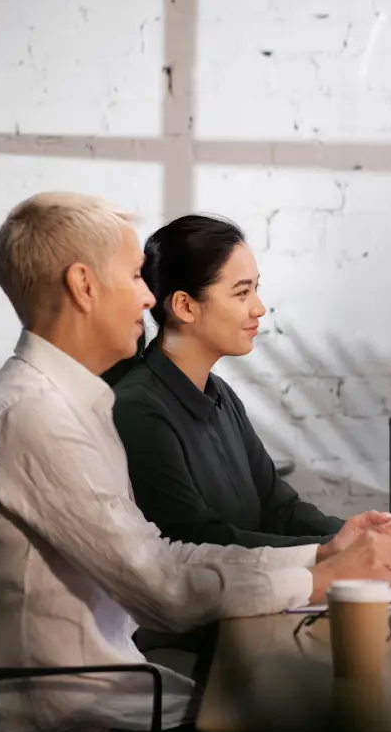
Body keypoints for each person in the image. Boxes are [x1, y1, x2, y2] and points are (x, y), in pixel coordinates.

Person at [0, 192, 391, 732]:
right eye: (132, 276)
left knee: (327, 726)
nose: (149, 297)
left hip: (101, 705)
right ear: (83, 285)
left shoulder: (70, 403)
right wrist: (321, 575)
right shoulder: (35, 415)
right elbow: (164, 587)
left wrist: (325, 560)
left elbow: (167, 557)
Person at [109, 214, 354, 548]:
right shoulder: (138, 409)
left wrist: (356, 534)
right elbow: (198, 540)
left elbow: (278, 508)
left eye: (256, 289)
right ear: (184, 306)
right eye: (242, 293)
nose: (259, 308)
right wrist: (328, 551)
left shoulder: (221, 395)